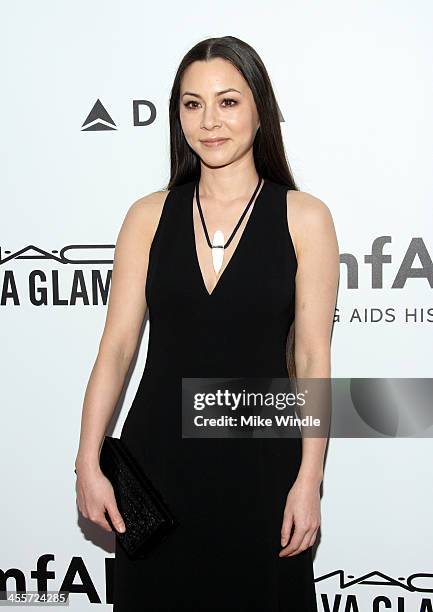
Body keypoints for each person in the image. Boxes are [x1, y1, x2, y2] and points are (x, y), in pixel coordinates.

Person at [75, 35, 339, 612]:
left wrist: (309, 479)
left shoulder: (305, 218)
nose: (209, 121)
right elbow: (117, 349)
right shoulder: (148, 216)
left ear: (258, 109)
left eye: (227, 101)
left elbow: (314, 358)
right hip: (158, 464)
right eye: (192, 104)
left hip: (262, 467)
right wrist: (87, 461)